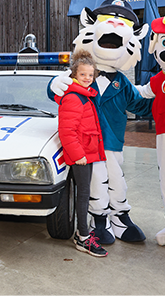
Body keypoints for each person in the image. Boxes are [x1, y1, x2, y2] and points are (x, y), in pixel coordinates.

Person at [55, 50, 108, 257]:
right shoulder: (74, 98)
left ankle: (83, 233)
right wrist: (78, 155)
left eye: (90, 75)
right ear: (74, 75)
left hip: (87, 153)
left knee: (84, 193)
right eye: (83, 74)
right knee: (83, 194)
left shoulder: (85, 95)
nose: (87, 78)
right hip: (81, 156)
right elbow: (67, 131)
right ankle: (83, 237)